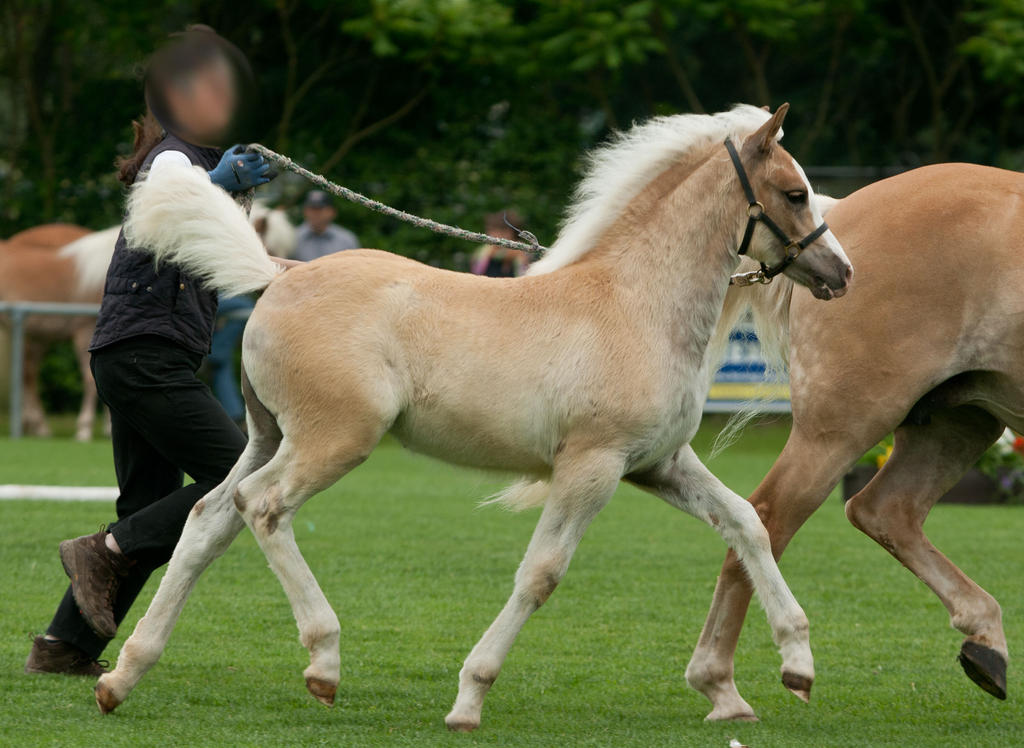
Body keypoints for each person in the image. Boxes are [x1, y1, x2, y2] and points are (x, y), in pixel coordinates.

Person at [25, 26, 299, 676]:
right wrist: (220, 181)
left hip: (138, 357)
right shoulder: (175, 161)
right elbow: (169, 198)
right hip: (145, 356)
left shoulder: (196, 170)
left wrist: (320, 276)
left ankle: (64, 647)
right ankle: (105, 548)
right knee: (241, 471)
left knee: (150, 512)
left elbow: (243, 260)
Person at [293, 190, 360, 261]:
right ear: (304, 211)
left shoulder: (346, 240)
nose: (315, 213)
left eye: (320, 209)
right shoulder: (292, 238)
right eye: (312, 208)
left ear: (332, 212)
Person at [470, 211, 530, 277]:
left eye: (503, 232)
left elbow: (524, 275)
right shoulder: (484, 251)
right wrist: (489, 255)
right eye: (493, 232)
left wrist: (521, 258)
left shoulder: (521, 249)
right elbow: (476, 272)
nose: (497, 236)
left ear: (512, 233)